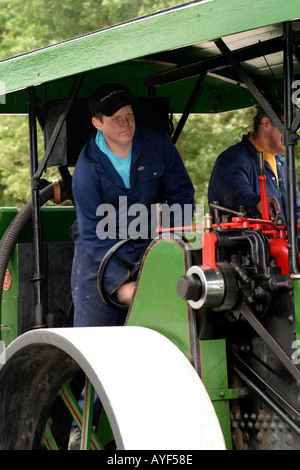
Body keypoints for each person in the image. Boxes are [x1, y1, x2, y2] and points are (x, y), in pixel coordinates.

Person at [71, 84, 195, 327]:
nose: (125, 123)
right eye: (116, 118)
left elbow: (182, 194)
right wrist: (119, 282)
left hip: (150, 243)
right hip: (100, 253)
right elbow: (90, 231)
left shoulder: (157, 142)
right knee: (96, 339)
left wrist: (172, 246)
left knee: (166, 327)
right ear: (98, 123)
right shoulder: (86, 169)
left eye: (128, 114)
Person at [207, 106, 300, 223]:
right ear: (266, 123)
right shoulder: (232, 159)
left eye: (296, 129)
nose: (294, 134)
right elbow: (235, 194)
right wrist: (257, 202)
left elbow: (296, 210)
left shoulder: (283, 163)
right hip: (249, 241)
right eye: (289, 127)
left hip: (283, 241)